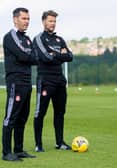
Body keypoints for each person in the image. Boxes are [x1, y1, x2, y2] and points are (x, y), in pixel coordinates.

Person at [33, 10, 73, 152]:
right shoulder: (38, 38)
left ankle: (60, 142)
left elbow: (70, 56)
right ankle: (38, 144)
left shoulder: (59, 39)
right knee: (40, 113)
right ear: (44, 21)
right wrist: (59, 54)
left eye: (54, 21)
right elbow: (45, 57)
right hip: (45, 80)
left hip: (60, 81)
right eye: (50, 21)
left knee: (60, 112)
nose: (53, 24)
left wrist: (54, 53)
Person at [2, 7, 37, 161]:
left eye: (28, 19)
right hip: (15, 82)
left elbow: (34, 57)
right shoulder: (10, 36)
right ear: (15, 19)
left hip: (27, 82)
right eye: (24, 18)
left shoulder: (27, 39)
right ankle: (6, 152)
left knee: (23, 117)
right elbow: (24, 55)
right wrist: (31, 56)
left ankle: (18, 149)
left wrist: (31, 56)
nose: (27, 22)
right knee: (11, 117)